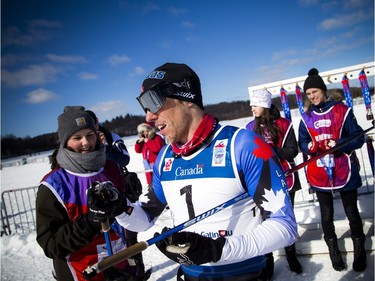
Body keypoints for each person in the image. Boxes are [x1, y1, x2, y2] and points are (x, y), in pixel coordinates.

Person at [87, 62, 298, 281]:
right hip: (190, 275)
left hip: (244, 274)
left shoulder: (243, 145)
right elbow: (144, 218)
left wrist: (219, 249)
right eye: (144, 107)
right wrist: (120, 208)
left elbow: (286, 226)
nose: (148, 117)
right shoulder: (165, 158)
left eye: (154, 102)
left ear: (186, 98)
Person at [35, 106, 148, 281]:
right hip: (82, 273)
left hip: (120, 267)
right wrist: (90, 222)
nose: (86, 142)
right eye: (77, 137)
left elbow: (124, 221)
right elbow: (50, 244)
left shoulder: (110, 168)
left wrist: (128, 200)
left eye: (90, 135)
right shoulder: (53, 185)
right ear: (65, 141)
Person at [298, 68, 366, 272]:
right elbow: (303, 141)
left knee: (351, 211)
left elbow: (359, 137)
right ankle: (334, 251)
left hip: (344, 169)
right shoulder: (306, 117)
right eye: (308, 94)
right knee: (326, 214)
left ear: (323, 90)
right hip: (320, 173)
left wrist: (338, 143)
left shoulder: (341, 110)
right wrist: (308, 147)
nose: (312, 97)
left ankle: (359, 249)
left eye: (315, 92)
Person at [245, 89, 303, 276]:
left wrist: (271, 151)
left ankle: (291, 256)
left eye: (255, 104)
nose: (251, 107)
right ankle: (267, 262)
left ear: (264, 105)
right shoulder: (249, 127)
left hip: (284, 178)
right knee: (264, 223)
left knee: (286, 218)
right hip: (260, 180)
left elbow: (293, 150)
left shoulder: (283, 124)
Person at [86, 109, 147, 278]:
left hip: (119, 191)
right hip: (98, 195)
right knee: (105, 238)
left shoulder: (111, 136)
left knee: (128, 235)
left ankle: (137, 270)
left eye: (92, 123)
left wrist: (105, 147)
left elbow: (124, 159)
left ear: (97, 121)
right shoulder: (85, 141)